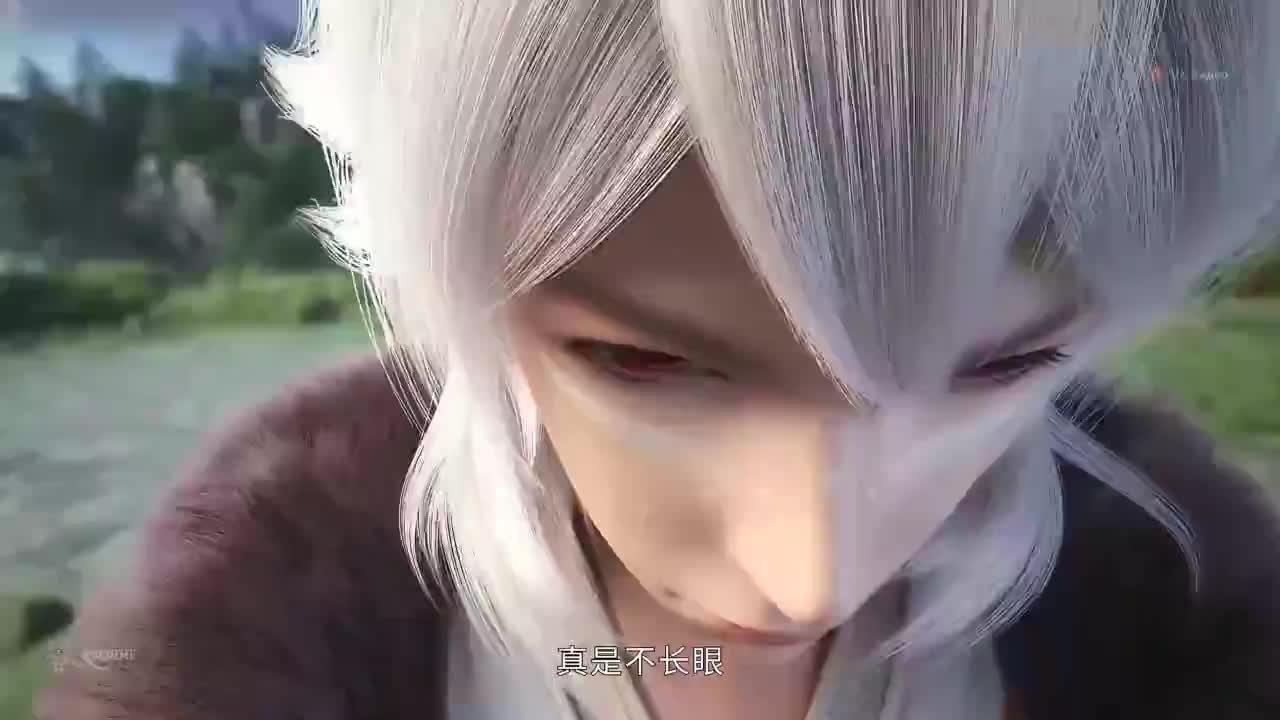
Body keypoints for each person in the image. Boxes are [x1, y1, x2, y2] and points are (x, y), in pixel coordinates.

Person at [37, 1, 1280, 718]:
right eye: (645, 364)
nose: (807, 578)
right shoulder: (273, 634)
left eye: (994, 369)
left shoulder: (1173, 630)